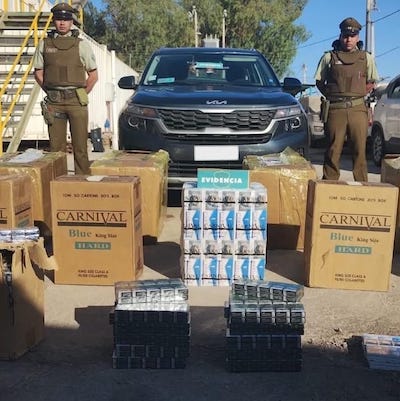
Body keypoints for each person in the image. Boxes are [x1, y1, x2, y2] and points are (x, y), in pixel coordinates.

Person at [33, 2, 98, 175]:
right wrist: (51, 92)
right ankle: (58, 185)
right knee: (56, 150)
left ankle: (82, 184)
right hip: (54, 103)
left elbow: (93, 75)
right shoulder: (44, 44)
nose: (62, 23)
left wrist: (81, 94)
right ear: (54, 21)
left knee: (80, 147)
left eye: (66, 19)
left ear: (71, 22)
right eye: (58, 19)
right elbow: (38, 73)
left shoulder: (82, 45)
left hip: (76, 102)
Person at [314, 17, 379, 181]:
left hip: (358, 109)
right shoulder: (329, 57)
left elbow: (372, 81)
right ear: (340, 36)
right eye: (345, 36)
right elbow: (319, 81)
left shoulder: (366, 58)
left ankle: (362, 187)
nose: (348, 39)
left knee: (360, 151)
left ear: (357, 37)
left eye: (352, 36)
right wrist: (332, 95)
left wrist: (358, 94)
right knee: (333, 150)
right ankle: (329, 186)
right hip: (335, 110)